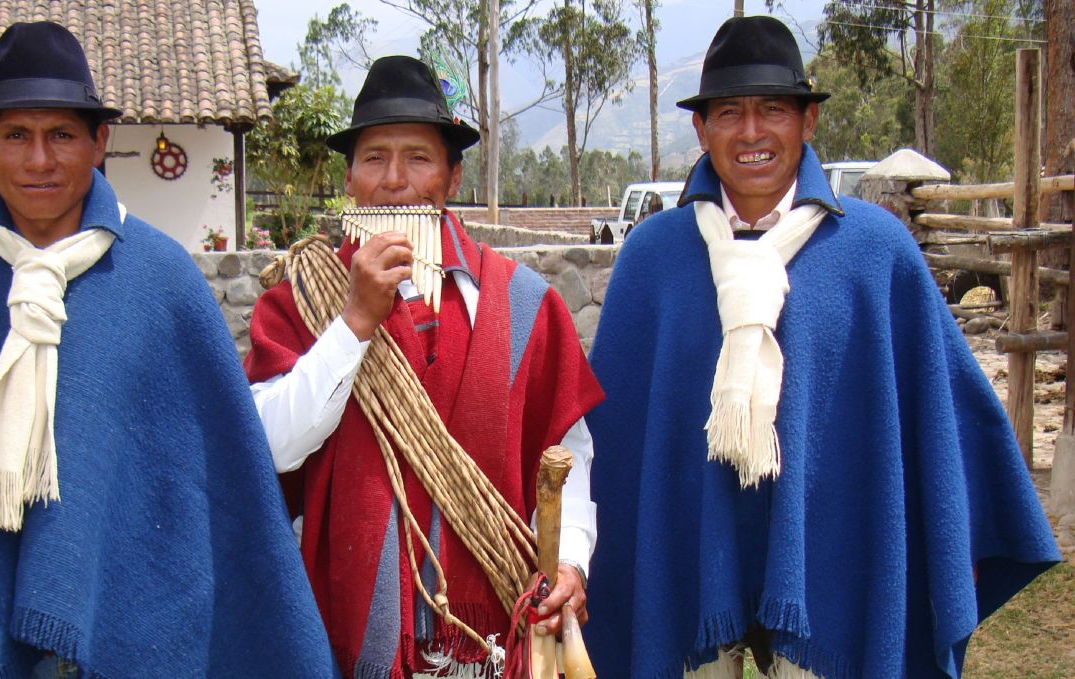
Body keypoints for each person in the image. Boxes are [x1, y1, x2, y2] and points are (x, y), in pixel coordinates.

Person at [0, 21, 334, 677]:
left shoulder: (161, 287)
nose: (39, 160)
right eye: (17, 135)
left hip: (125, 632)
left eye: (61, 135)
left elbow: (216, 484)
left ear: (99, 141)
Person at [583, 15, 1060, 679]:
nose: (751, 132)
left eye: (773, 109)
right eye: (729, 112)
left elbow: (939, 407)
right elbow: (614, 441)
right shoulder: (651, 259)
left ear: (807, 123)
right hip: (686, 560)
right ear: (702, 129)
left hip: (832, 560)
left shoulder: (873, 252)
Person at [244, 55, 604, 677]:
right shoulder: (298, 302)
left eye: (417, 156)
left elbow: (567, 454)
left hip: (491, 638)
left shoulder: (524, 305)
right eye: (374, 156)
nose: (394, 179)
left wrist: (568, 558)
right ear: (350, 177)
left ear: (452, 175)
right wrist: (354, 322)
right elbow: (271, 445)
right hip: (353, 631)